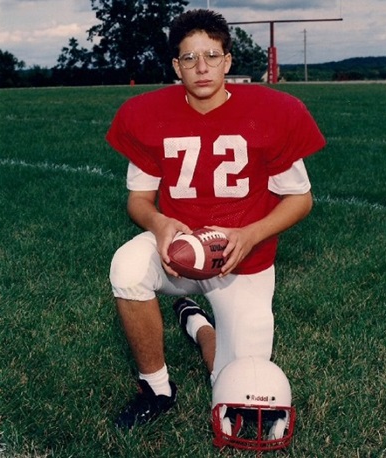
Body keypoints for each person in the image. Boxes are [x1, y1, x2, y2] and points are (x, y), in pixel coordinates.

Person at [106, 9, 326, 429]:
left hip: (245, 257)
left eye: (211, 55)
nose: (201, 67)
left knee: (236, 383)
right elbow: (138, 199)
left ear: (228, 60)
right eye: (189, 58)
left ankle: (198, 326)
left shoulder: (274, 111)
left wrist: (251, 233)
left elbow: (300, 199)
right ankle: (155, 387)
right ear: (176, 66)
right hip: (178, 250)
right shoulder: (146, 113)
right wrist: (158, 224)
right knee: (127, 268)